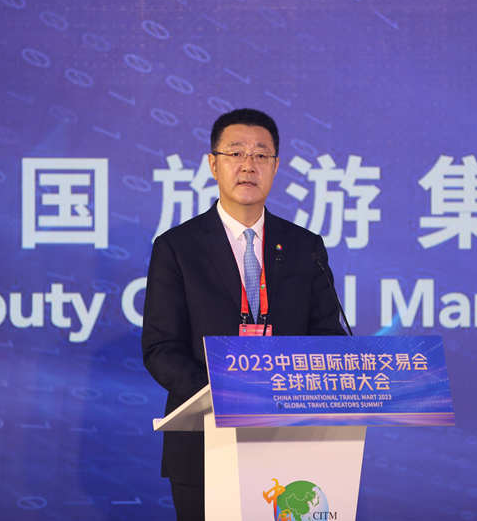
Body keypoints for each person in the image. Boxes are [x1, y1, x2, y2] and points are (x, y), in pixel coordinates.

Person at [141, 108, 346, 521]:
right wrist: (225, 395)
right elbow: (161, 348)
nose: (248, 165)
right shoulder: (177, 247)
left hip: (290, 440)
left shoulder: (304, 246)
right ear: (213, 163)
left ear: (276, 166)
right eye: (236, 153)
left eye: (261, 155)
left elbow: (328, 335)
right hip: (205, 443)